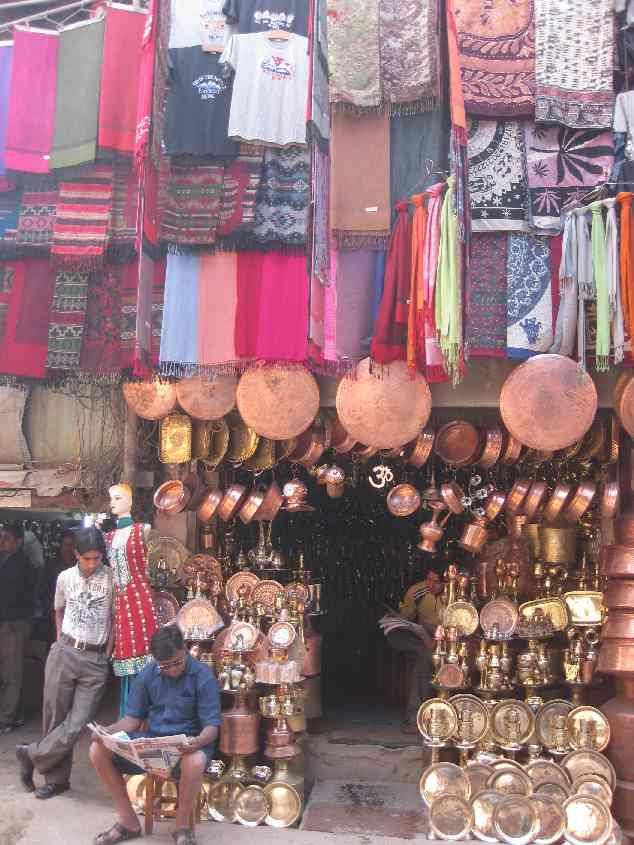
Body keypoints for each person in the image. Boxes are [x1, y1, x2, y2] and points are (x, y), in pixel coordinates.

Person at [89, 625, 221, 845]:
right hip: (153, 745)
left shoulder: (203, 676)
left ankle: (182, 828)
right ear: (156, 660)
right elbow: (132, 720)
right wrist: (107, 732)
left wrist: (197, 741)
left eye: (177, 662)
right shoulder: (148, 674)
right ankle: (128, 822)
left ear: (185, 649)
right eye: (165, 666)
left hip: (188, 747)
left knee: (196, 761)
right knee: (97, 750)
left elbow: (212, 729)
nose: (172, 670)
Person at [15, 527, 114, 798]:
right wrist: (60, 642)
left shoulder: (111, 579)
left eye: (97, 558)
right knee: (54, 718)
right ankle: (56, 781)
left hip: (95, 659)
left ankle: (30, 754)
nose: (92, 563)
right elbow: (58, 611)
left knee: (78, 722)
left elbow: (115, 619)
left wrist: (107, 653)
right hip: (65, 652)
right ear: (76, 554)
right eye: (87, 558)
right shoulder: (64, 577)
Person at [104, 483, 157, 714]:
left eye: (118, 498)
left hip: (141, 601)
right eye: (111, 499)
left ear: (131, 501)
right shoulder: (109, 537)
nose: (112, 503)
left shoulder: (142, 530)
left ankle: (146, 714)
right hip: (122, 604)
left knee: (145, 655)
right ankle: (128, 713)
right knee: (126, 659)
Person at [386, 569, 444, 734]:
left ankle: (417, 718)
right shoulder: (417, 591)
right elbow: (406, 618)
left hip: (446, 639)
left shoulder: (454, 593)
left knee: (424, 659)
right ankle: (416, 718)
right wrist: (397, 618)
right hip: (422, 637)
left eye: (436, 582)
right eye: (428, 579)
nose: (430, 585)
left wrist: (434, 641)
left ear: (446, 582)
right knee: (395, 635)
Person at [0, 523, 37, 734]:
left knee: (11, 673)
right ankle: (13, 713)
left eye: (6, 538)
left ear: (18, 542)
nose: (1, 541)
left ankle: (7, 718)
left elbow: (10, 596)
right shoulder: (6, 560)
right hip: (9, 621)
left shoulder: (20, 564)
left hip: (13, 623)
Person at [42, 529, 76, 644]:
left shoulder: (80, 565)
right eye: (66, 545)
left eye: (72, 545)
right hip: (54, 614)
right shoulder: (51, 565)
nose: (69, 548)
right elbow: (44, 590)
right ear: (61, 546)